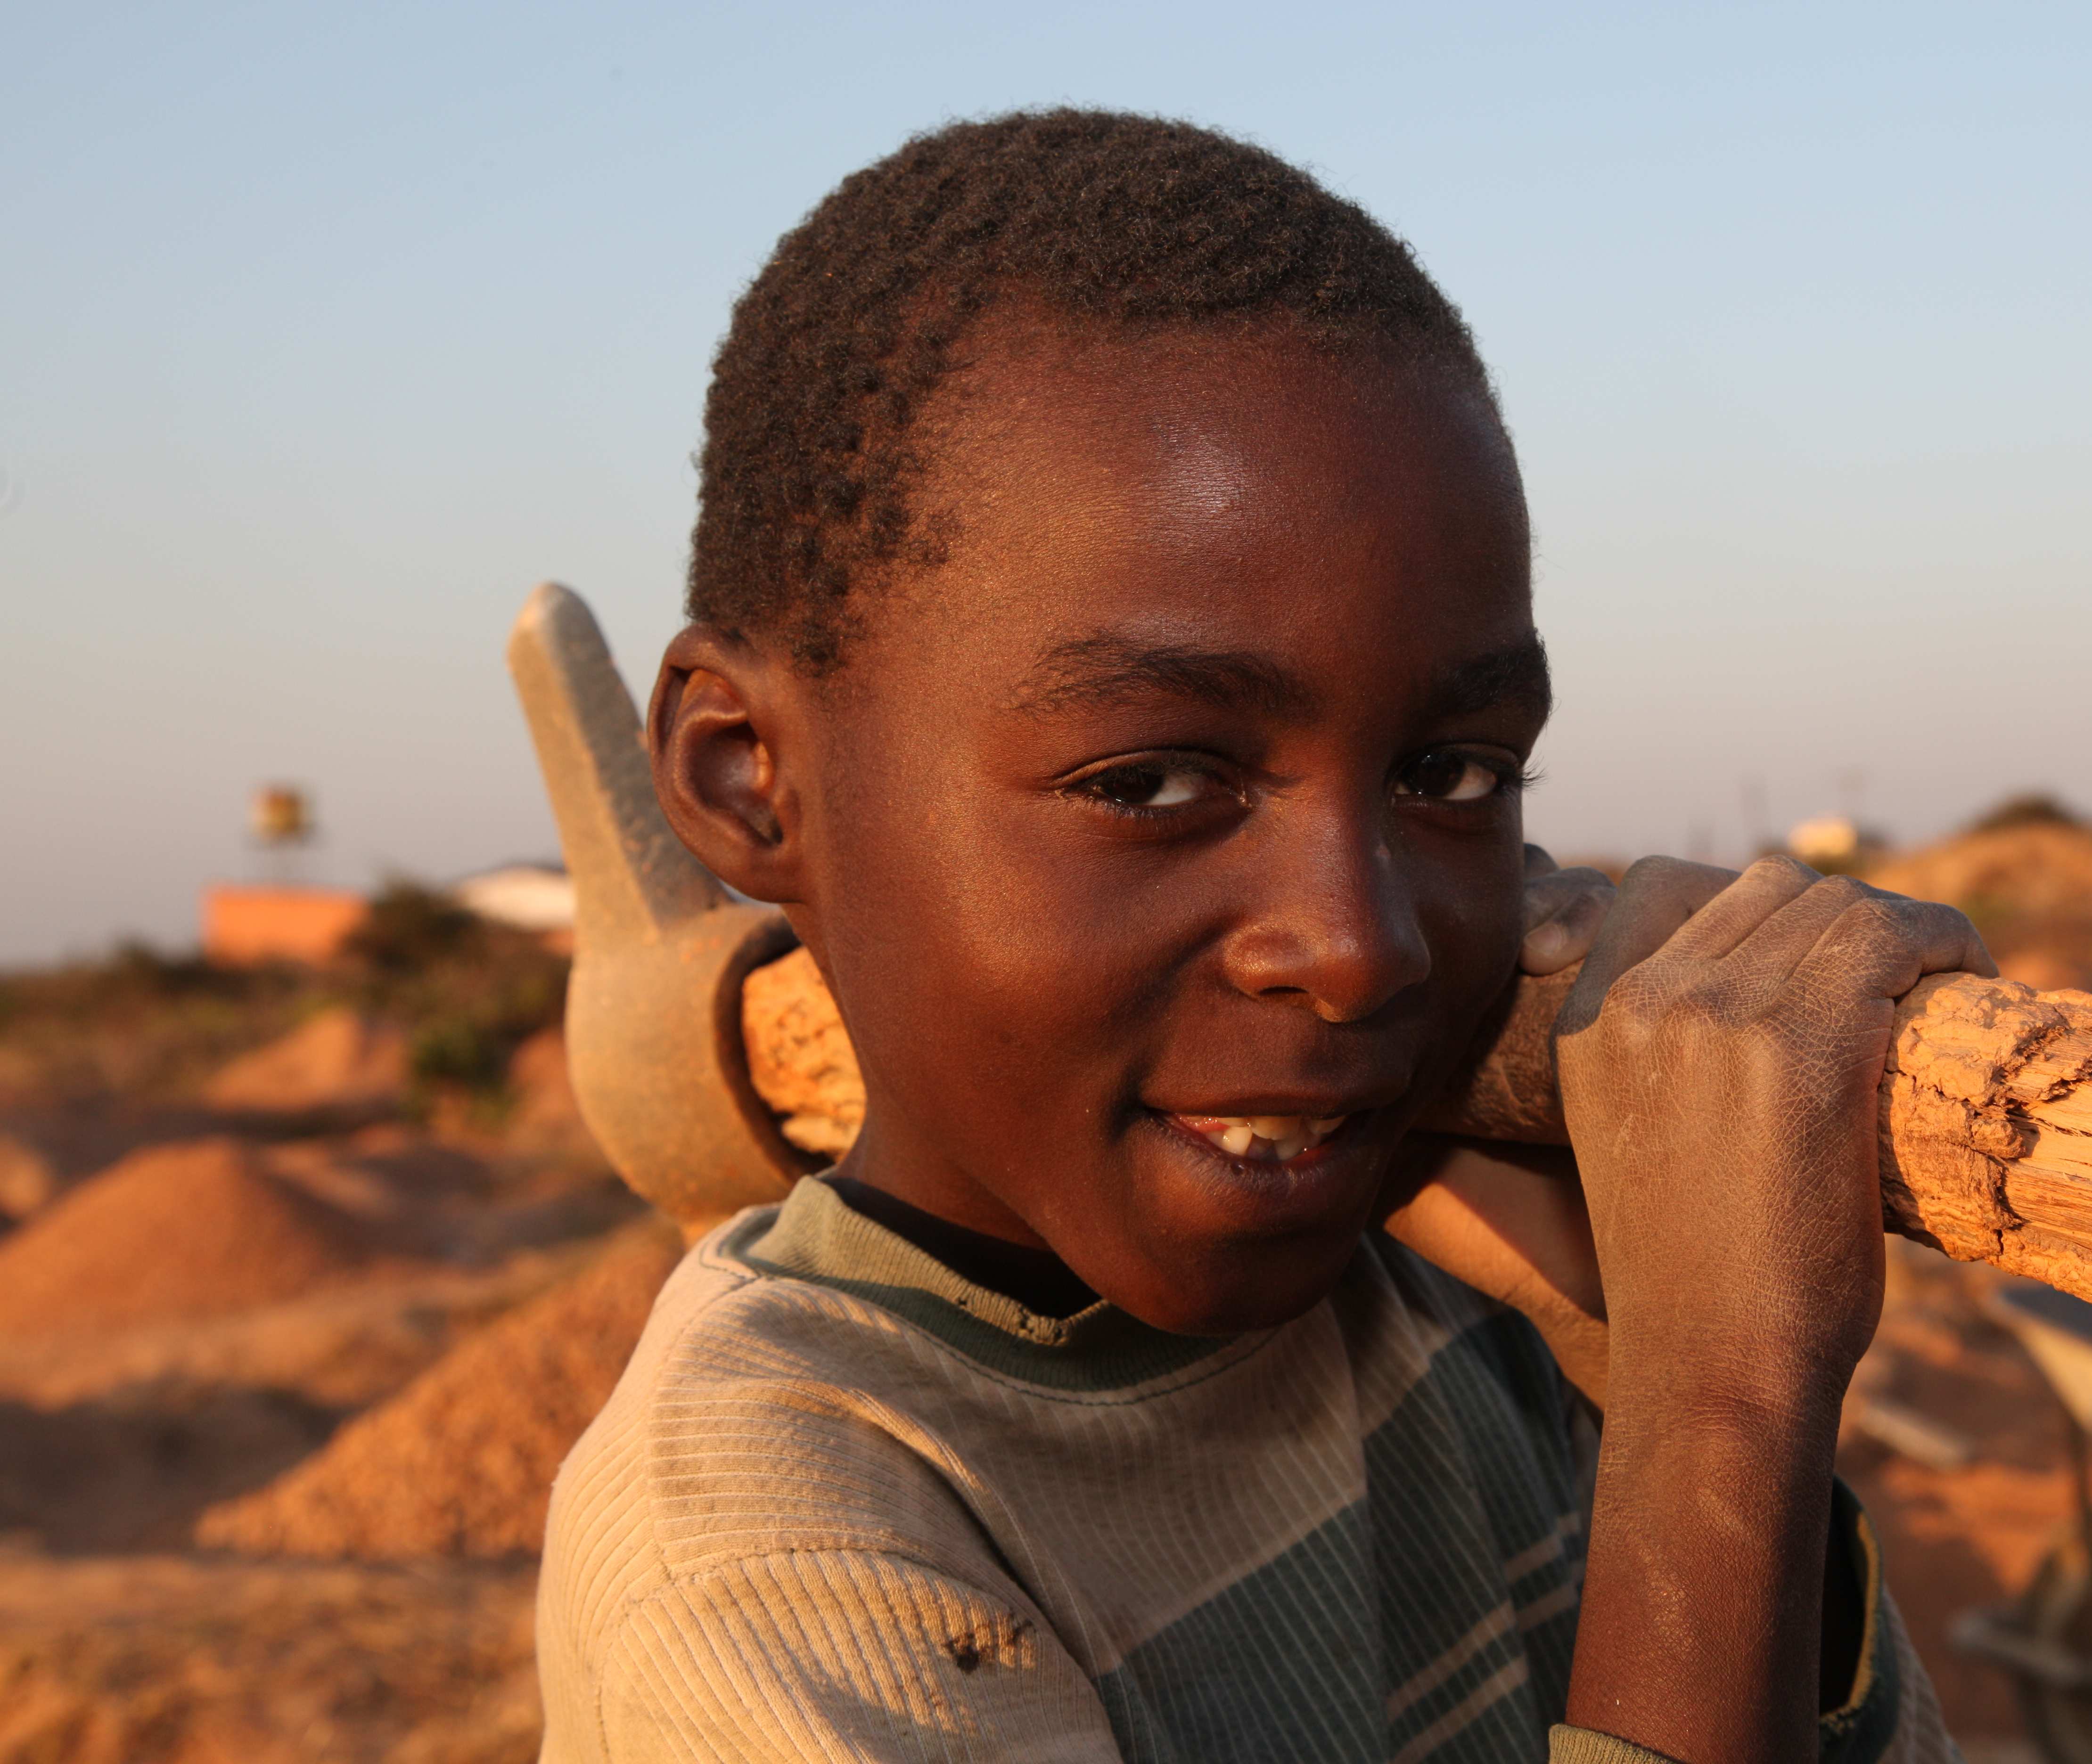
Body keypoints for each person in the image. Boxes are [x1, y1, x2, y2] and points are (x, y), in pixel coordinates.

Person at [537, 109, 1980, 1764]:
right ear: (750, 780)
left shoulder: (1461, 1312)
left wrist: (1625, 1357)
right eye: (1151, 778)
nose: (1359, 951)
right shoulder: (773, 1553)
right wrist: (1716, 1423)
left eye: (1449, 772)